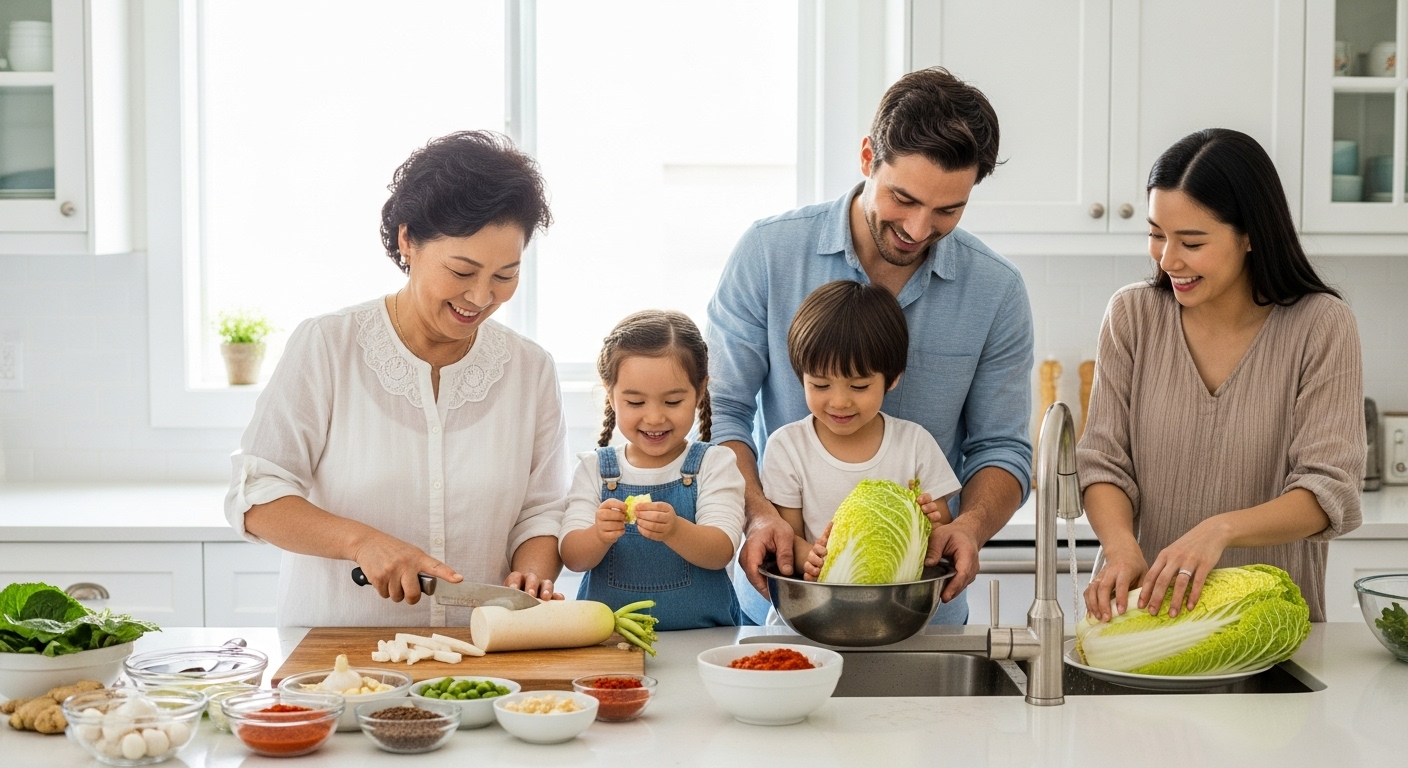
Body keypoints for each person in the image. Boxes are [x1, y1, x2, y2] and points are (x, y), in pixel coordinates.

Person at [707, 67, 1034, 625]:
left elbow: (1002, 448)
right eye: (903, 198)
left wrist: (970, 526)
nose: (918, 227)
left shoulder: (995, 291)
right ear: (867, 158)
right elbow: (724, 413)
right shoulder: (768, 254)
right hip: (784, 602)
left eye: (947, 211)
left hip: (924, 611)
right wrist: (760, 516)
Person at [224, 131, 570, 627]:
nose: (480, 296)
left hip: (477, 660)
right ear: (408, 241)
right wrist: (360, 541)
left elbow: (542, 512)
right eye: (462, 270)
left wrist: (531, 575)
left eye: (505, 275)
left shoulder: (530, 370)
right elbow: (255, 496)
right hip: (337, 660)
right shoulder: (327, 345)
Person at [1079, 128, 1366, 625]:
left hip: (1269, 627)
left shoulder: (1321, 325)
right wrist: (1122, 545)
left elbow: (1328, 493)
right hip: (1149, 623)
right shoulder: (1133, 316)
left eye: (1191, 241)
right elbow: (1103, 462)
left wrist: (1220, 530)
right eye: (1156, 234)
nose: (1168, 259)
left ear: (1251, 234)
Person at [757, 280, 960, 581]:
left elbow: (939, 539)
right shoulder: (788, 447)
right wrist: (808, 559)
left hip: (896, 614)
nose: (839, 402)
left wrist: (932, 523)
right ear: (801, 377)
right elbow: (789, 539)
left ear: (892, 380)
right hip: (813, 614)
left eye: (859, 386)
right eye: (820, 385)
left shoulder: (915, 444)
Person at [558, 311, 745, 629]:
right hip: (610, 644)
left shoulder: (715, 464)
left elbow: (721, 550)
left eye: (672, 402)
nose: (655, 418)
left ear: (700, 391)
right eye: (635, 402)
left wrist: (675, 530)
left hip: (703, 640)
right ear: (611, 394)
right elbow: (573, 557)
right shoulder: (594, 469)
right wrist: (598, 535)